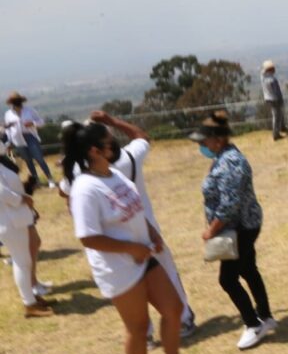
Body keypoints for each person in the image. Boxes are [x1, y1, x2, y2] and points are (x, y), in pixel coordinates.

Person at [62, 121, 206, 354]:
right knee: (138, 327)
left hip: (144, 255)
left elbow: (135, 209)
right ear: (94, 151)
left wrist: (152, 234)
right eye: (109, 141)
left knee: (173, 308)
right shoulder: (85, 189)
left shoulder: (113, 173)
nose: (115, 143)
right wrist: (131, 248)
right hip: (119, 268)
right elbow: (88, 237)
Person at [60, 111, 197, 338]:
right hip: (144, 230)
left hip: (112, 243)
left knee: (132, 292)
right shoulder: (128, 157)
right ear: (98, 146)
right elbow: (141, 136)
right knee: (167, 275)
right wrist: (113, 120)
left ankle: (146, 334)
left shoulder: (79, 170)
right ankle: (183, 321)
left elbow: (64, 192)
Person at [190, 111, 276, 349]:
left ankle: (253, 325)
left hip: (239, 228)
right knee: (248, 269)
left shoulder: (231, 163)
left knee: (227, 280)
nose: (201, 146)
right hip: (242, 225)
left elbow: (230, 205)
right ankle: (266, 316)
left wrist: (211, 230)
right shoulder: (224, 157)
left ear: (218, 140)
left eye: (204, 141)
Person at [0, 153, 52, 317]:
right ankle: (29, 304)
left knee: (25, 261)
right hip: (9, 221)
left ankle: (32, 298)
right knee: (21, 262)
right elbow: (2, 193)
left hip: (15, 219)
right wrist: (22, 199)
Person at [4, 92, 56, 188]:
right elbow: (8, 130)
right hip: (17, 140)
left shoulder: (30, 110)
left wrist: (32, 123)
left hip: (30, 136)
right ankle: (36, 181)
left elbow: (41, 122)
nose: (17, 103)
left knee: (39, 158)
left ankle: (50, 179)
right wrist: (9, 142)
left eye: (18, 101)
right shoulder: (8, 114)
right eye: (15, 101)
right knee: (28, 161)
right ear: (12, 103)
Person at [261, 60, 288, 141]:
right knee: (277, 116)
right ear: (270, 70)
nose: (274, 70)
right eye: (273, 68)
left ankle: (282, 127)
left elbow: (262, 72)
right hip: (275, 99)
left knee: (279, 114)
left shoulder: (263, 77)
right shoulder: (272, 79)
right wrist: (280, 99)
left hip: (268, 98)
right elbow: (276, 91)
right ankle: (276, 134)